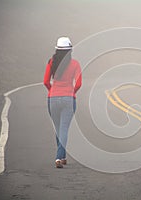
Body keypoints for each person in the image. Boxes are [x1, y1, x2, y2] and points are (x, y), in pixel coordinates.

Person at [43, 37, 82, 168]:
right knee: (64, 128)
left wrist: (52, 91)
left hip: (52, 98)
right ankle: (59, 157)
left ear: (57, 50)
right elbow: (79, 83)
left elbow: (46, 82)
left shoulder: (51, 62)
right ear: (70, 50)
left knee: (58, 128)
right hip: (69, 99)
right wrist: (72, 93)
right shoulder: (75, 64)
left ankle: (62, 156)